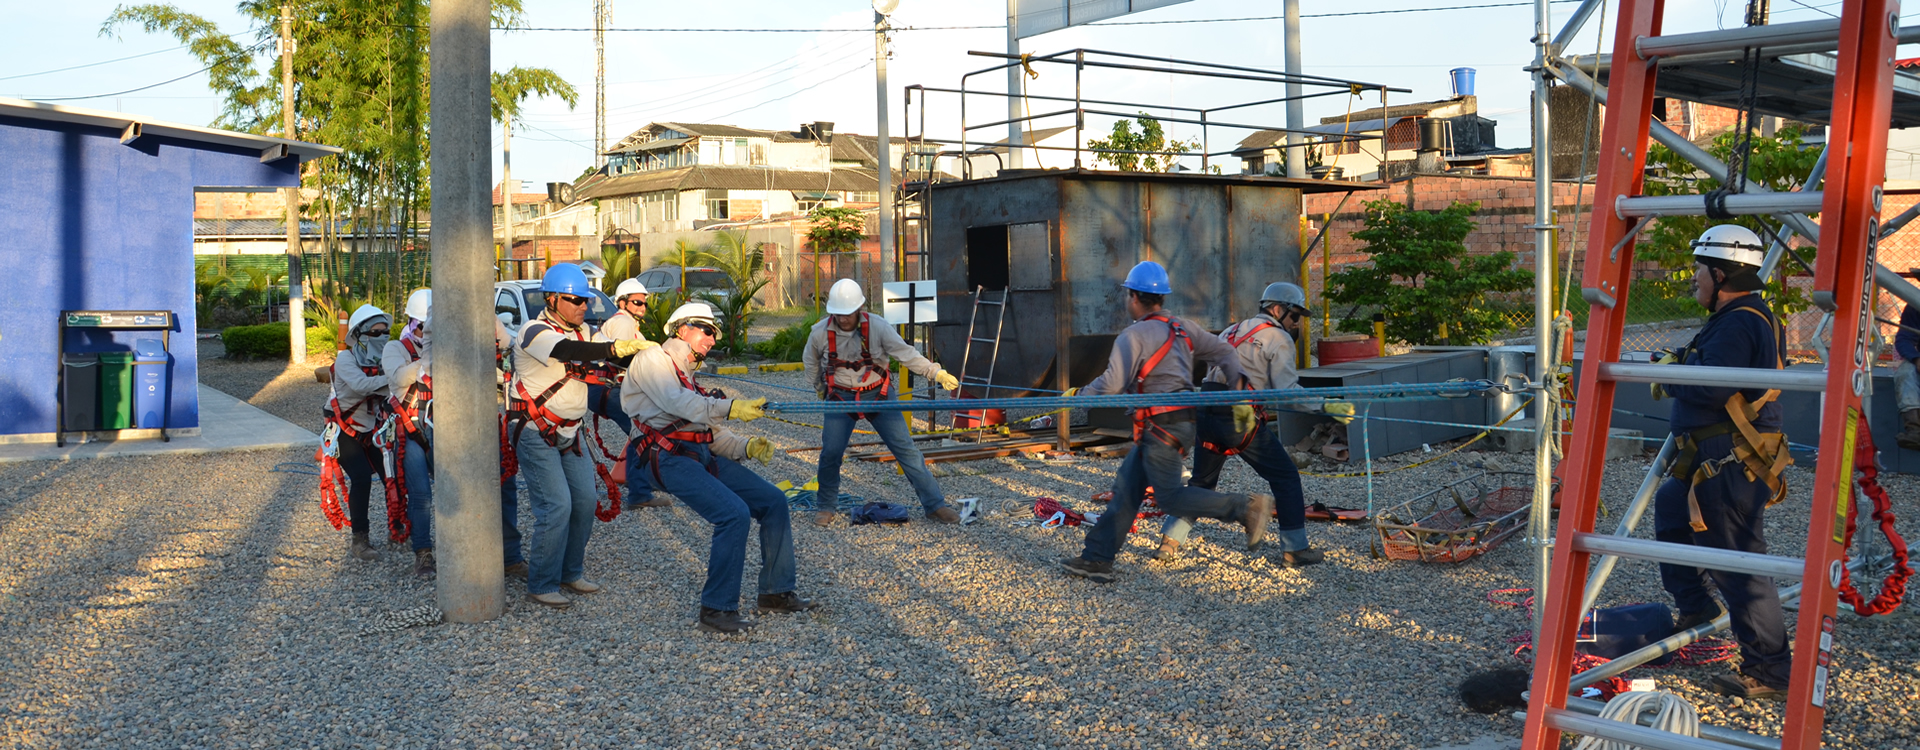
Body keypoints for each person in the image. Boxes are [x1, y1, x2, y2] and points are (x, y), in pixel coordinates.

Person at [1059, 261, 1274, 584]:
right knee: (1126, 491)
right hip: (1176, 425)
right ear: (1160, 298)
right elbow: (1226, 353)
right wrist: (1237, 390)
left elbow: (1112, 383)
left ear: (1133, 297)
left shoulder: (1132, 337)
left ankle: (1244, 508)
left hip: (1160, 429)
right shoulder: (1182, 328)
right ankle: (1096, 558)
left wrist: (1079, 396)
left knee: (1171, 497)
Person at [1651, 224, 1794, 700]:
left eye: (1698, 271)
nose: (1693, 279)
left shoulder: (1740, 320)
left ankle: (1770, 671)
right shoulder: (1740, 317)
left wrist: (1672, 376)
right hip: (1713, 455)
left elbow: (1711, 386)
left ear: (1720, 271)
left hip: (1727, 458)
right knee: (1673, 509)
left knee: (1737, 562)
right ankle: (1696, 608)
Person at [623, 302, 813, 633]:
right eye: (707, 330)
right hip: (666, 458)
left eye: (715, 334)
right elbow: (678, 403)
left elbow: (708, 433)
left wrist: (745, 446)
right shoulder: (652, 360)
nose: (712, 340)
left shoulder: (688, 376)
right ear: (682, 329)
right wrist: (730, 406)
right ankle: (716, 609)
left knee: (773, 501)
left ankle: (775, 592)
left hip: (697, 455)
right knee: (733, 514)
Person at [1155, 281, 1335, 567]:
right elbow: (1287, 391)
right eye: (1295, 316)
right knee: (1286, 477)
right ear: (1278, 310)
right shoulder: (1278, 337)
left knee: (1201, 482)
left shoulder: (1232, 330)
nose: (1296, 324)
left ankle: (1169, 542)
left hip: (1206, 409)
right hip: (1238, 416)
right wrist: (1325, 404)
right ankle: (1295, 549)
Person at [508, 264, 655, 609]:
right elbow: (569, 353)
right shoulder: (533, 331)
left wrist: (652, 358)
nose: (583, 306)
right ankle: (542, 583)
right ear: (553, 299)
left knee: (586, 501)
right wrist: (615, 349)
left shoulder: (586, 333)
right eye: (575, 300)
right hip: (534, 430)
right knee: (557, 505)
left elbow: (607, 359)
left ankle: (569, 573)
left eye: (585, 301)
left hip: (571, 431)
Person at [383, 289, 531, 580]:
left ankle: (510, 556)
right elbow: (398, 378)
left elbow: (501, 349)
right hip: (415, 428)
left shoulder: (461, 341)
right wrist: (434, 359)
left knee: (503, 481)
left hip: (466, 420)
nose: (423, 331)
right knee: (422, 493)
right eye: (419, 327)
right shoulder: (396, 349)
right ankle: (423, 553)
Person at [802, 279, 963, 527]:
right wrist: (819, 388)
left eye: (847, 314)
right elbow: (811, 363)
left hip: (877, 394)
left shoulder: (878, 327)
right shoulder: (819, 333)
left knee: (906, 450)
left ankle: (935, 505)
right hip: (840, 396)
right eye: (838, 314)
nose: (843, 319)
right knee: (831, 453)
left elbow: (906, 353)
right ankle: (826, 506)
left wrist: (935, 373)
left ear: (860, 309)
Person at [322, 304, 395, 561]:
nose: (382, 337)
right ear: (360, 334)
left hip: (373, 428)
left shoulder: (385, 360)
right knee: (362, 478)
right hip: (345, 428)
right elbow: (362, 386)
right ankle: (360, 540)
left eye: (385, 332)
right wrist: (396, 377)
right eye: (376, 332)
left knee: (392, 476)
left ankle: (397, 530)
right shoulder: (346, 359)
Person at [594, 276, 667, 510]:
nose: (642, 307)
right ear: (623, 303)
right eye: (637, 302)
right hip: (610, 388)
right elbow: (625, 359)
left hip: (609, 389)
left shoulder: (627, 322)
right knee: (643, 435)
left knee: (640, 433)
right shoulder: (624, 323)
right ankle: (640, 493)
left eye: (644, 302)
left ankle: (640, 482)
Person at [1893, 269, 1920, 450]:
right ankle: (1915, 431)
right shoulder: (1914, 306)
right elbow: (1903, 338)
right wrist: (1916, 358)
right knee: (1905, 372)